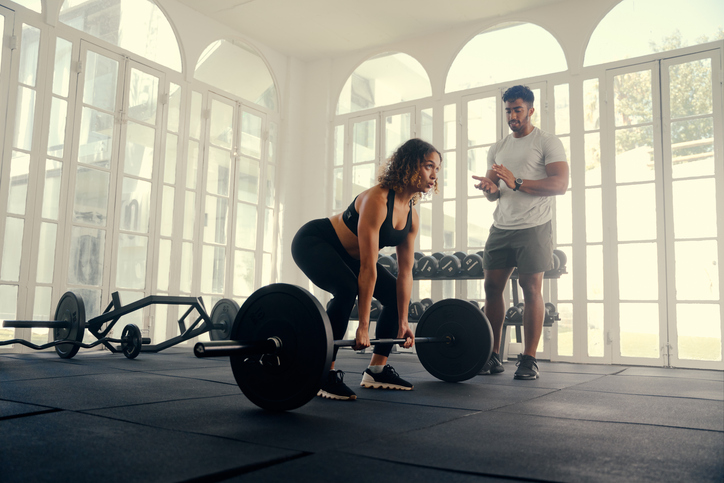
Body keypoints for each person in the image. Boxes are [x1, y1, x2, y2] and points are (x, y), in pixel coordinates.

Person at [292, 138, 442, 400]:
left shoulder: (411, 215)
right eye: (429, 166)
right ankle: (323, 373)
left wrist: (404, 322)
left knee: (395, 293)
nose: (434, 175)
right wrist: (363, 326)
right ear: (409, 165)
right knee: (347, 288)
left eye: (437, 169)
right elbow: (368, 266)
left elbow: (406, 273)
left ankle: (376, 369)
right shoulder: (377, 199)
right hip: (315, 242)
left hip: (350, 256)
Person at [472, 85, 568, 380]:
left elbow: (559, 185)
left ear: (530, 110)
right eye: (508, 111)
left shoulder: (546, 142)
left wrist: (517, 182)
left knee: (530, 289)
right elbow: (495, 192)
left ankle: (528, 359)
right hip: (501, 226)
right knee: (491, 289)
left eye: (518, 110)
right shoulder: (498, 147)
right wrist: (490, 189)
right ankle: (492, 355)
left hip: (534, 227)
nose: (513, 116)